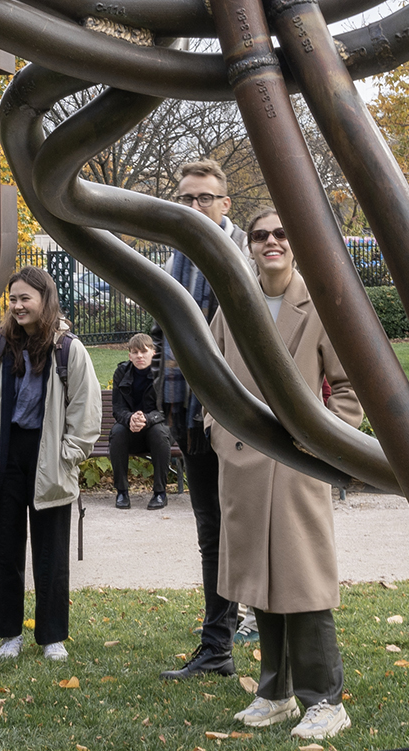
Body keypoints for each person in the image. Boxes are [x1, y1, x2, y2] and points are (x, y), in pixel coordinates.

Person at [208, 210, 360, 741]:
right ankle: (274, 693)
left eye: (281, 233)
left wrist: (324, 444)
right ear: (247, 245)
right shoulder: (233, 305)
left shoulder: (318, 305)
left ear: (295, 243)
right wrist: (218, 434)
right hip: (244, 463)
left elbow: (348, 388)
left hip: (298, 466)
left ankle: (325, 700)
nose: (271, 241)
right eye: (260, 235)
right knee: (258, 580)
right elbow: (213, 378)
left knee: (304, 582)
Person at [0, 266, 100, 662]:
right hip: (4, 455)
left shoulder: (68, 348)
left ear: (45, 300)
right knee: (1, 549)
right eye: (13, 298)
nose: (18, 306)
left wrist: (69, 454)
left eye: (26, 298)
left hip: (49, 455)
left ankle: (51, 635)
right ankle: (9, 634)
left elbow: (86, 409)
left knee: (51, 552)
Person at [158, 159, 254, 680]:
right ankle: (217, 643)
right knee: (211, 531)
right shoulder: (176, 256)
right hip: (188, 412)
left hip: (236, 418)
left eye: (204, 198)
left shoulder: (245, 251)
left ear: (225, 204)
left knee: (249, 527)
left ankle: (264, 636)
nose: (194, 207)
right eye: (186, 198)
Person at [108, 333, 169, 510]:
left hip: (156, 429)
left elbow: (166, 409)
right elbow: (118, 408)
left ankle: (160, 493)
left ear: (153, 353)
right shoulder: (121, 372)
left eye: (143, 351)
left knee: (158, 432)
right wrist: (130, 419)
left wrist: (146, 419)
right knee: (117, 432)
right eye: (135, 352)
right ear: (129, 355)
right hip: (131, 430)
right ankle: (122, 492)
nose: (139, 356)